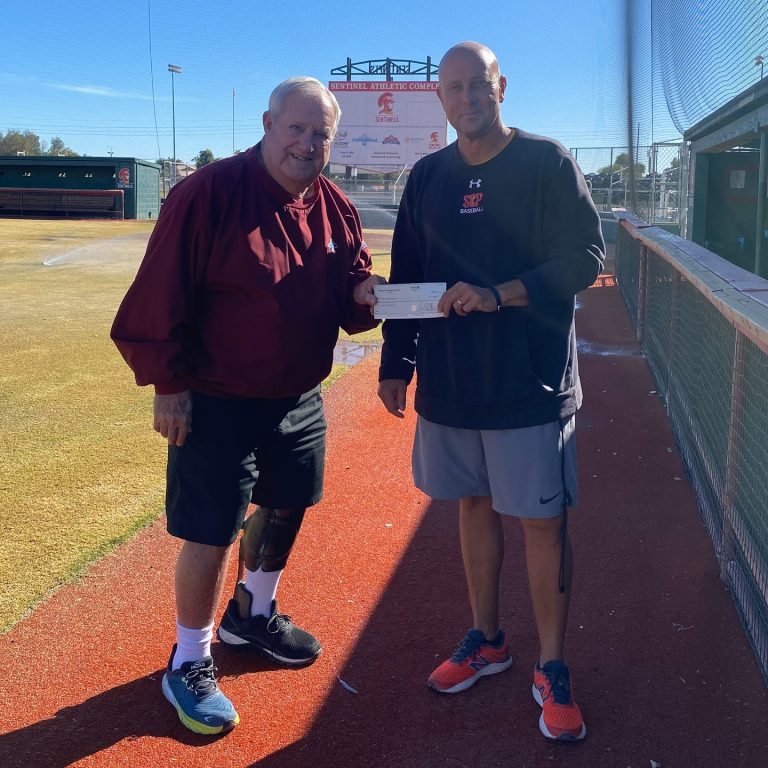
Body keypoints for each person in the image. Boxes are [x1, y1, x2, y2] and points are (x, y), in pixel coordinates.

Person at [112, 76, 383, 736]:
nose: (308, 143)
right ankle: (190, 657)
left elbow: (351, 295)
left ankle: (251, 615)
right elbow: (159, 294)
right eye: (296, 128)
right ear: (267, 123)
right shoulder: (207, 194)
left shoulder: (334, 206)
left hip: (295, 395)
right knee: (209, 530)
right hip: (215, 398)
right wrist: (167, 385)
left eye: (321, 133)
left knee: (288, 503)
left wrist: (371, 295)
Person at [377, 42, 604, 742]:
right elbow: (408, 273)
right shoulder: (426, 177)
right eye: (455, 89)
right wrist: (396, 363)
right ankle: (488, 640)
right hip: (451, 386)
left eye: (479, 85)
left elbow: (586, 259)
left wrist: (500, 294)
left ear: (500, 86)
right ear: (439, 99)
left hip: (529, 385)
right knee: (472, 508)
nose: (468, 98)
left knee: (542, 524)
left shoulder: (547, 162)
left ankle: (554, 666)